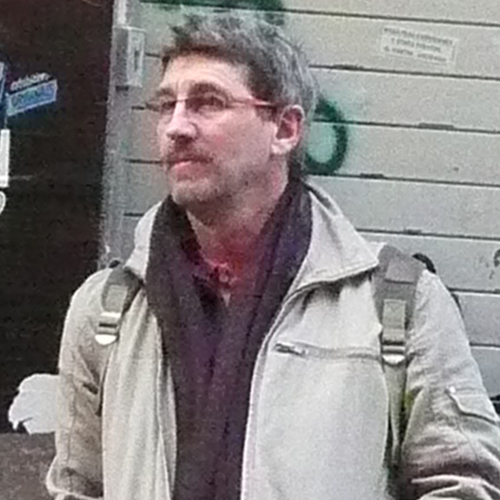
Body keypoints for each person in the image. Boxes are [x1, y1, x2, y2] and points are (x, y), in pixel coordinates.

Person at [47, 12, 500, 500]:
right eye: (166, 105)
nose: (176, 127)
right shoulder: (106, 310)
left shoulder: (399, 305)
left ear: (285, 129)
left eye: (208, 102)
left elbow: (464, 482)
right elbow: (77, 487)